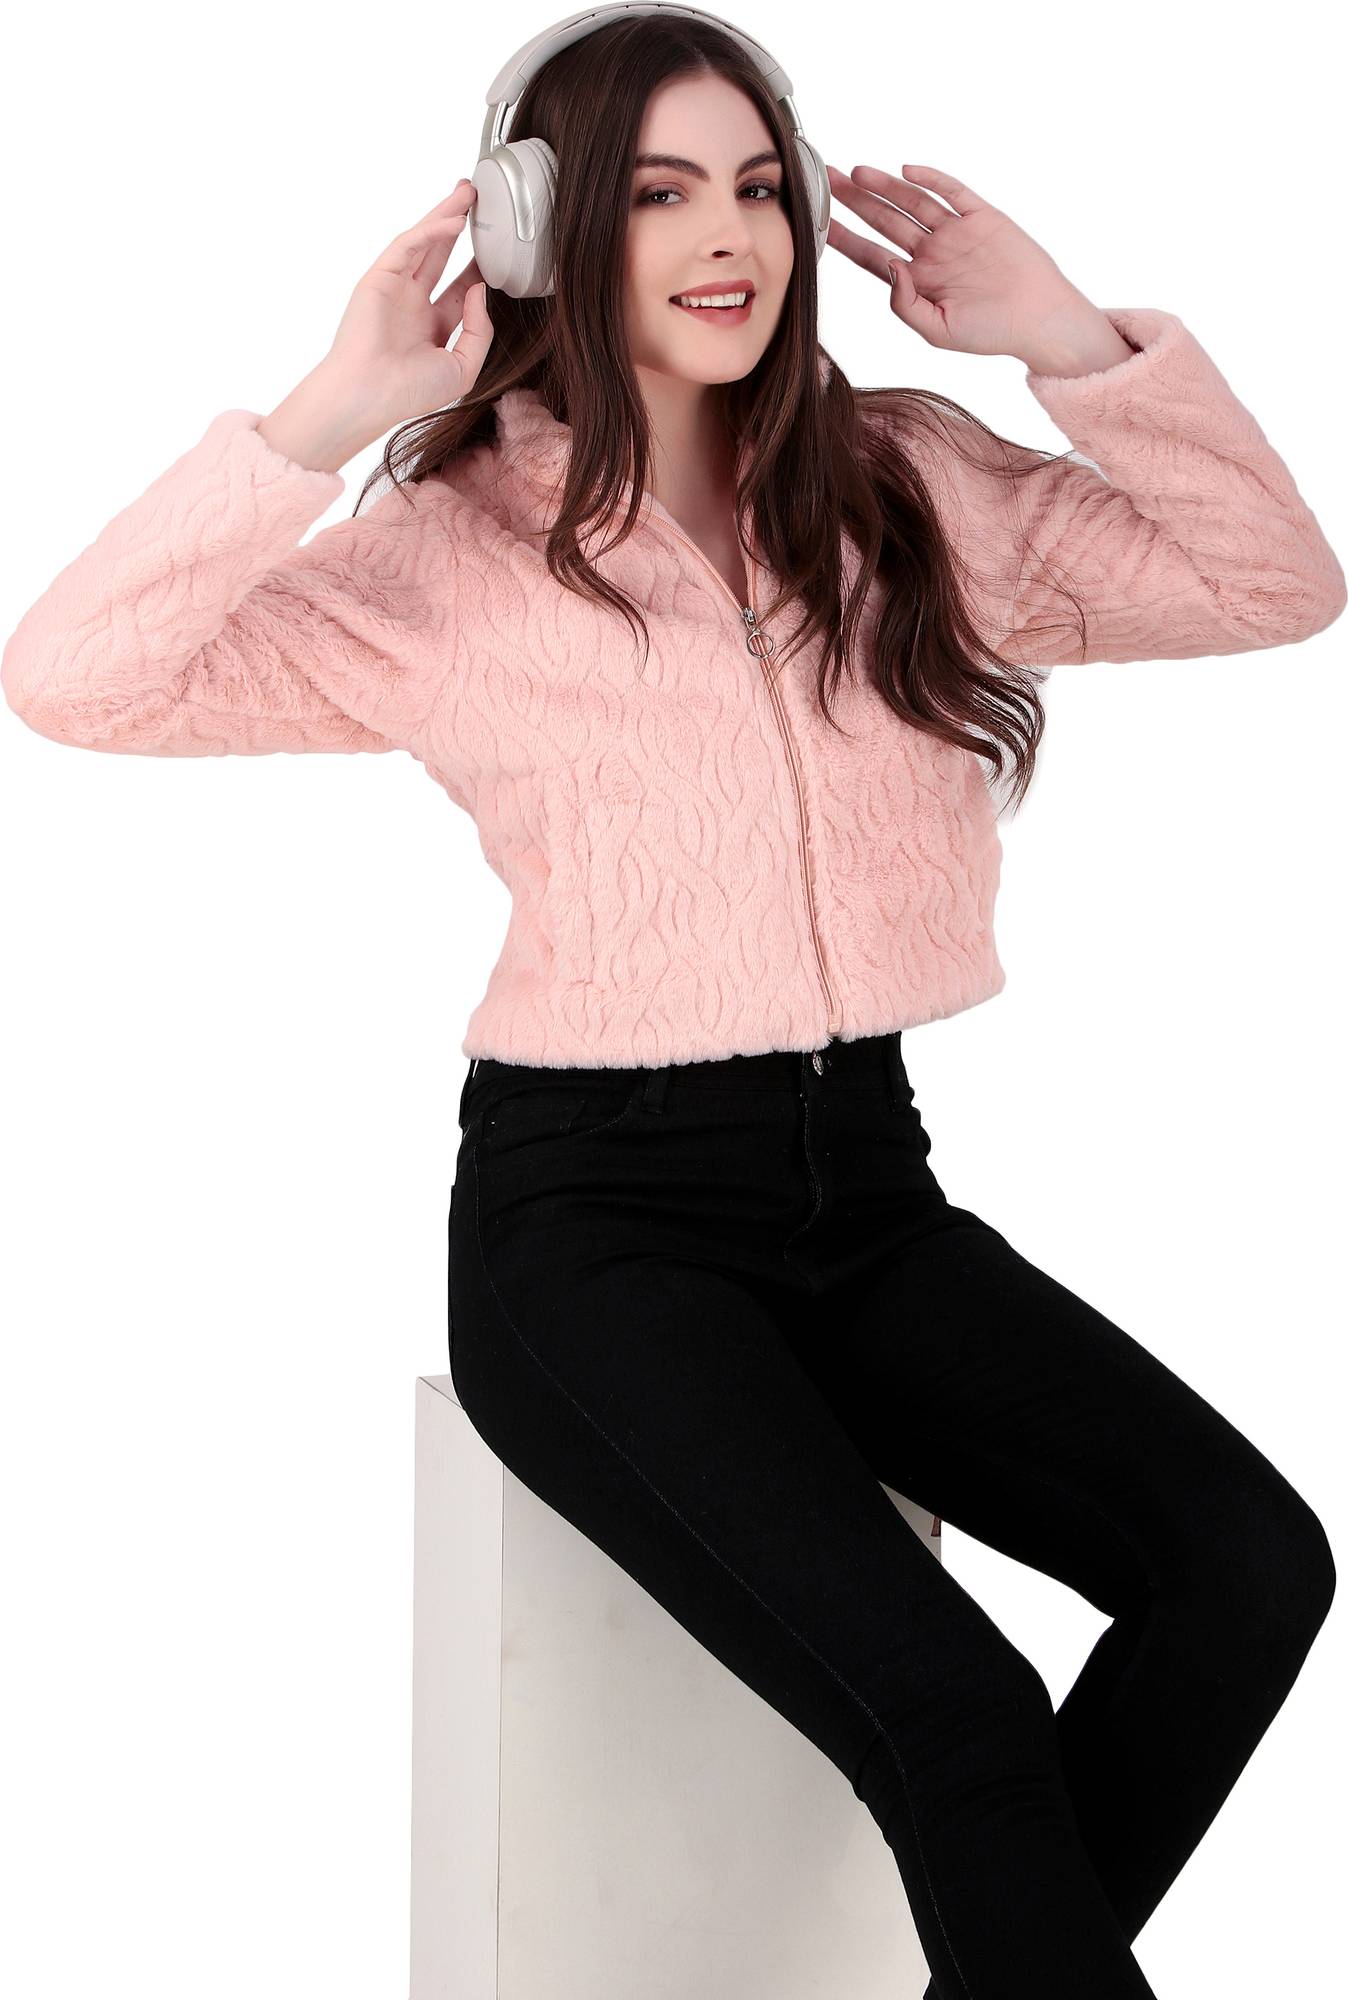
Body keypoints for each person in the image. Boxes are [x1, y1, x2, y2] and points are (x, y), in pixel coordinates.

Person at [3, 10, 1341, 1997]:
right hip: (593, 1229)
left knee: (1241, 1565)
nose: (727, 236)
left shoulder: (904, 487)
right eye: (654, 193)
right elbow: (76, 680)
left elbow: (1269, 581)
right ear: (540, 231)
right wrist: (320, 416)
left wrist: (1068, 344)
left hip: (865, 1190)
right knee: (956, 1713)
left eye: (755, 186)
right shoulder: (450, 556)